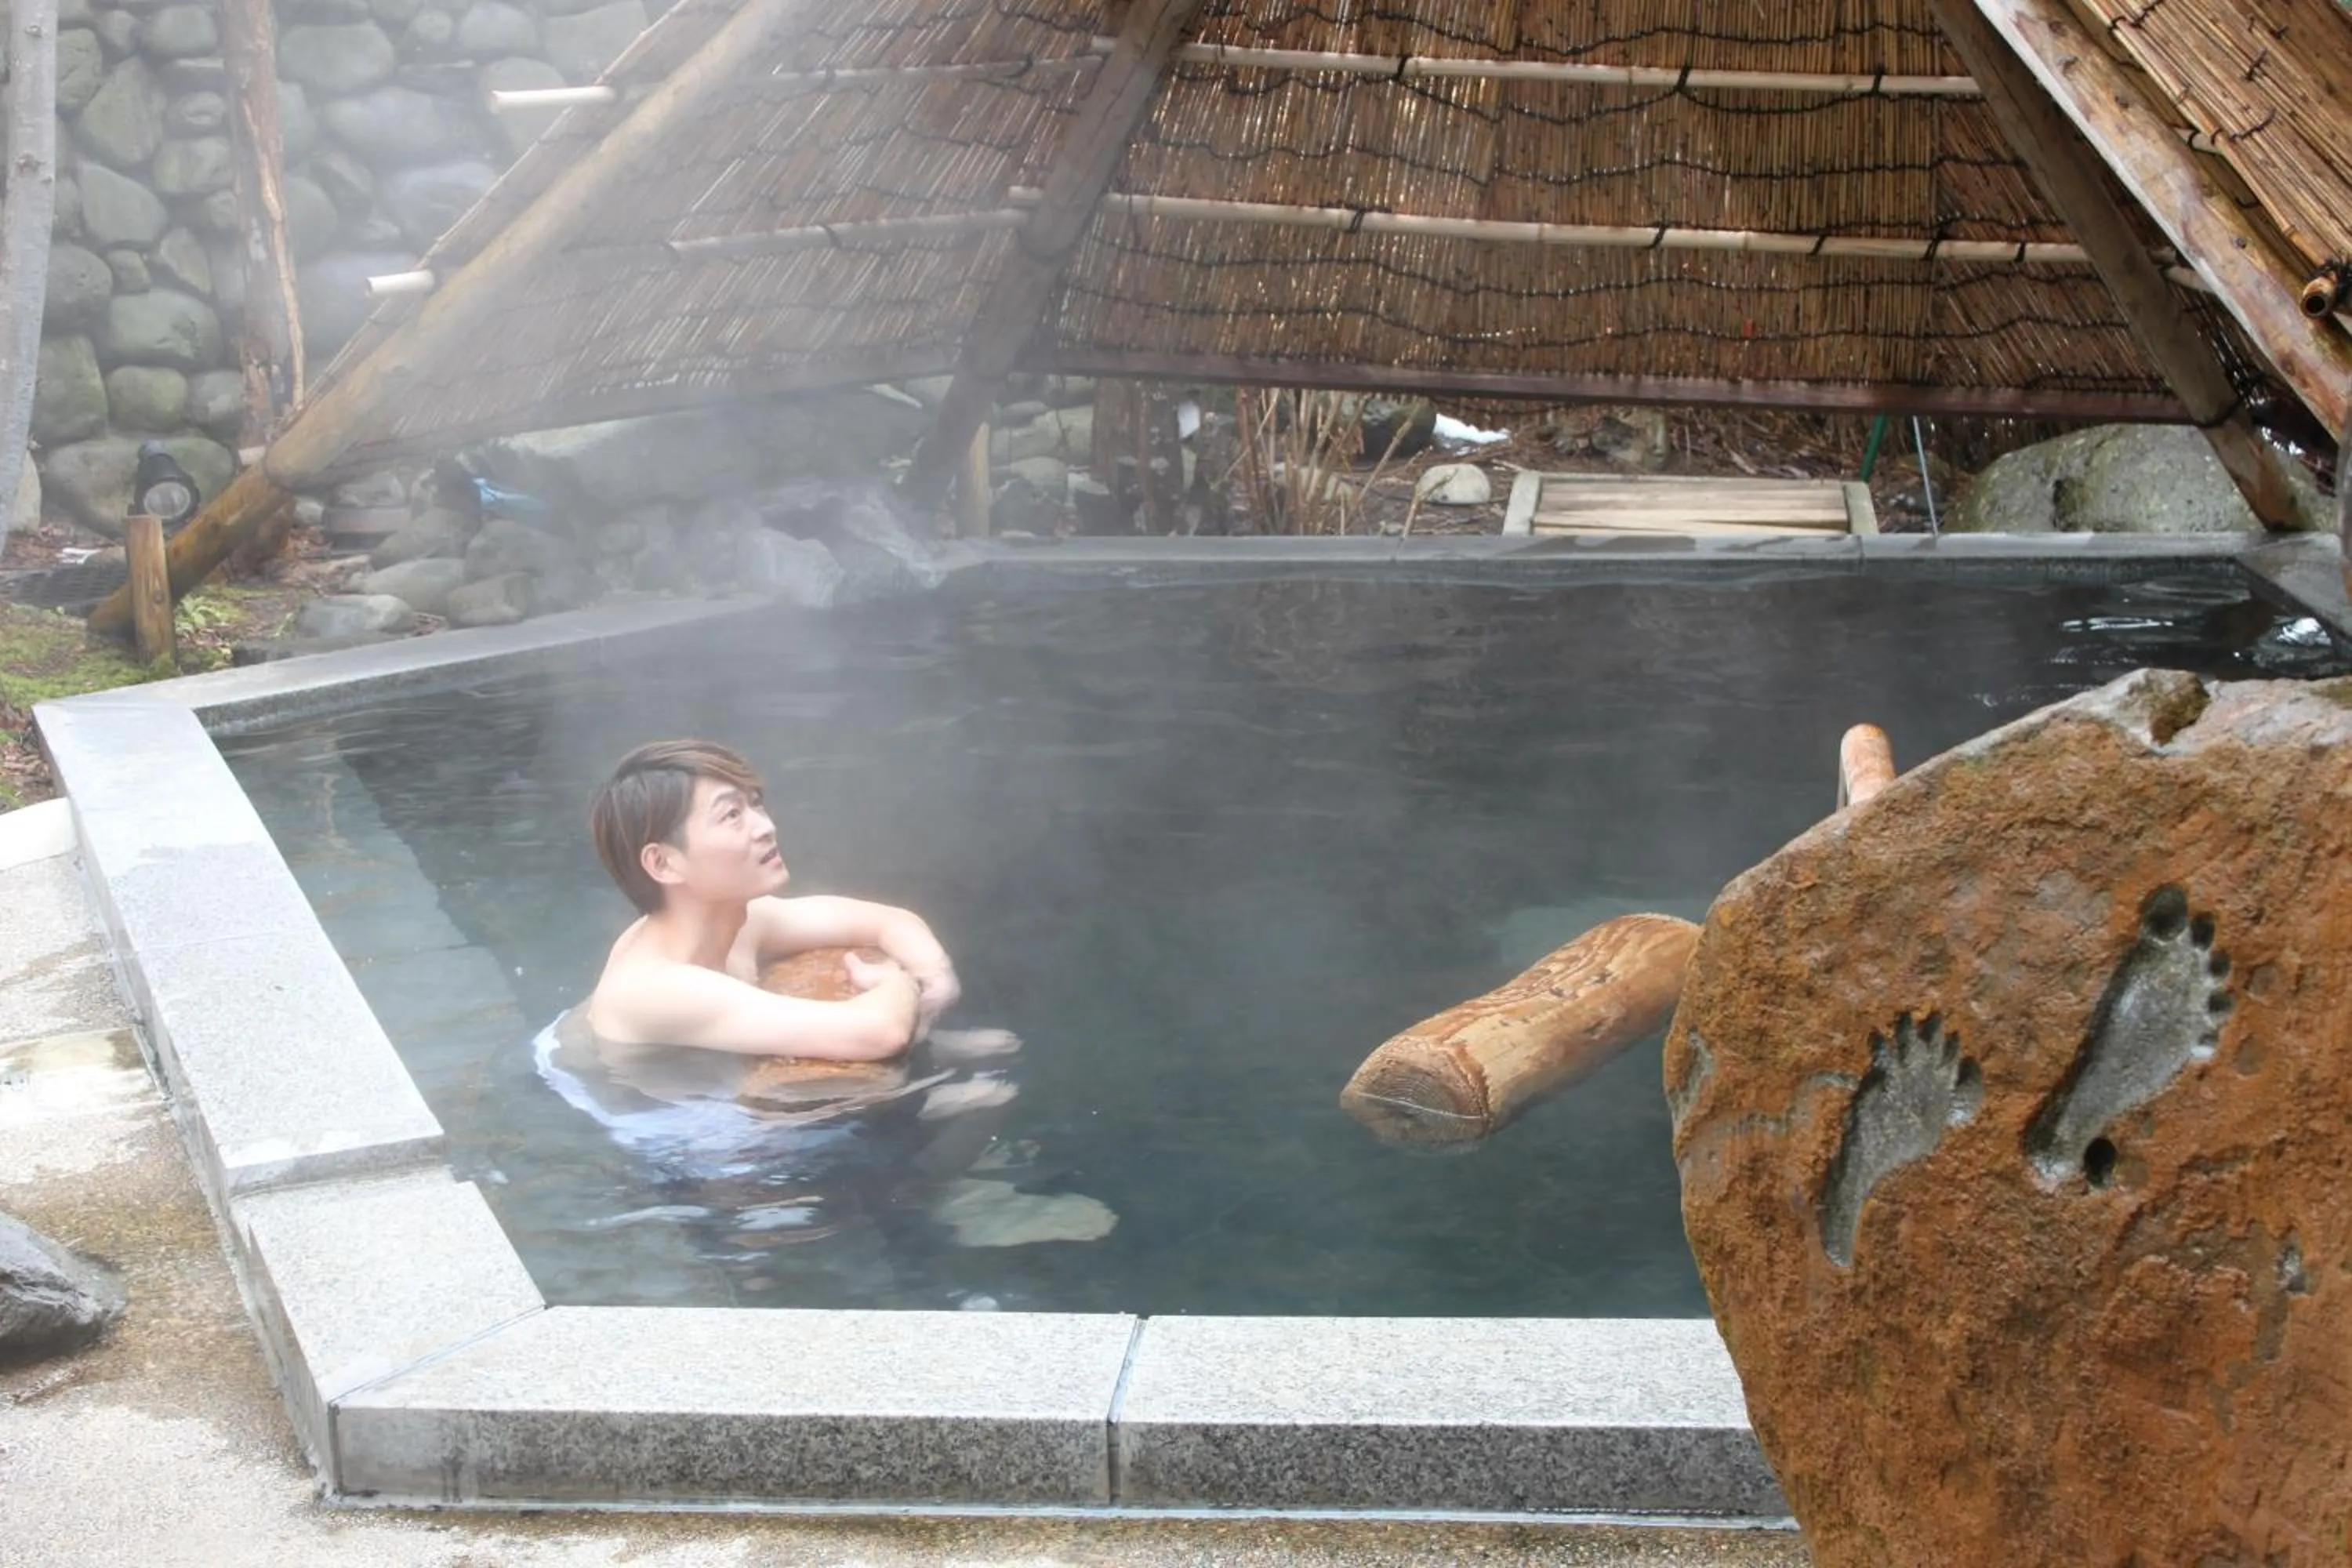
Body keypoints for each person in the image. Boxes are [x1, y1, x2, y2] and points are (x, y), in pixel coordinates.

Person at [579, 737, 981, 1060]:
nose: (765, 827)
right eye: (731, 816)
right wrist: (902, 984)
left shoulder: (738, 920)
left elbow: (889, 921)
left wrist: (936, 976)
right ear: (664, 864)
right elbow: (879, 1034)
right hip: (677, 1136)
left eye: (755, 804)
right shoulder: (654, 989)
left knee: (985, 1065)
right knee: (983, 1097)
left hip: (715, 1094)